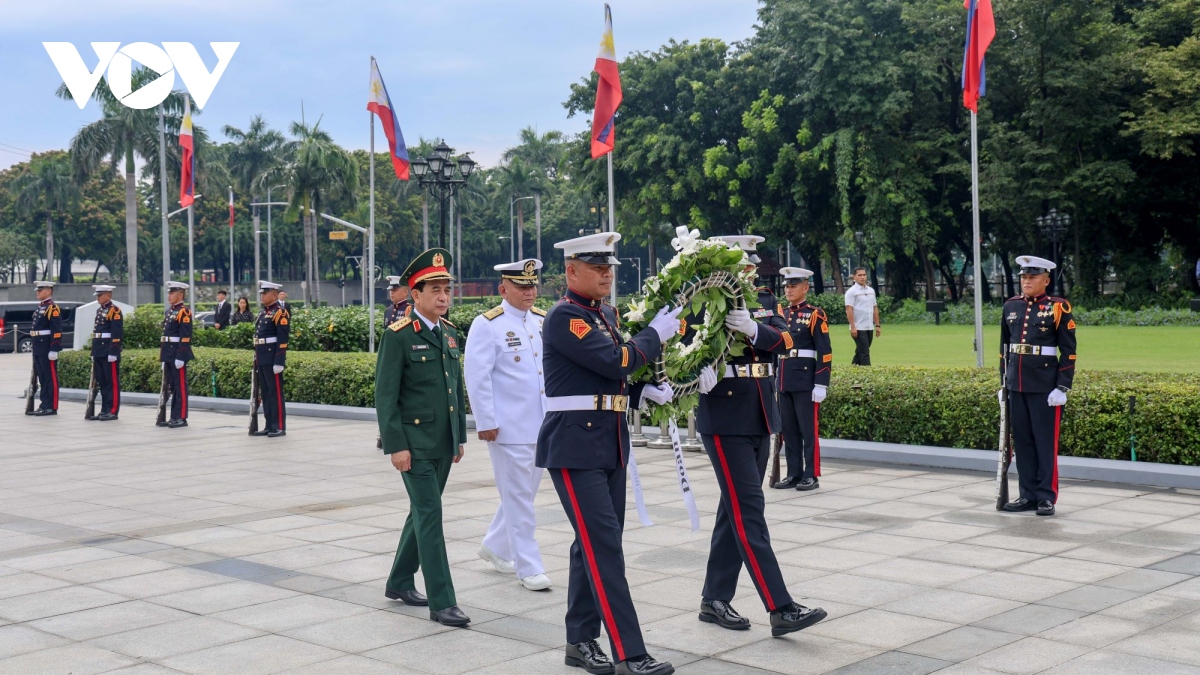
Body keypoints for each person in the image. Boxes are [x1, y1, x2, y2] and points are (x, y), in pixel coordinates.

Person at [538, 232, 681, 675]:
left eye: (609, 268)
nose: (606, 274)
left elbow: (608, 380)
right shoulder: (566, 317)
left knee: (594, 545)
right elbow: (616, 361)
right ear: (571, 270)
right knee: (604, 550)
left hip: (607, 442)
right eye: (596, 267)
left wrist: (642, 392)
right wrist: (654, 335)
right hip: (575, 447)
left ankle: (580, 642)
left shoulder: (604, 315)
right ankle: (630, 653)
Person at [691, 241, 828, 638]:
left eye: (751, 266)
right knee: (749, 511)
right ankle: (780, 606)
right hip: (724, 415)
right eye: (743, 265)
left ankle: (713, 599)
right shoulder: (702, 299)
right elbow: (679, 347)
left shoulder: (764, 300)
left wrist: (754, 328)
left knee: (732, 511)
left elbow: (785, 341)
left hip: (760, 413)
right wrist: (693, 372)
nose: (751, 272)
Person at [376, 248, 471, 628]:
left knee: (422, 512)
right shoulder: (398, 336)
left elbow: (454, 390)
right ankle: (442, 601)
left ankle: (399, 580)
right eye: (435, 290)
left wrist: (459, 436)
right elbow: (386, 397)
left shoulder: (449, 334)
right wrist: (396, 445)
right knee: (431, 515)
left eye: (446, 289)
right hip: (413, 446)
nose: (443, 296)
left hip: (442, 443)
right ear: (415, 295)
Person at [465, 259, 552, 592]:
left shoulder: (544, 321)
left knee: (522, 495)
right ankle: (529, 567)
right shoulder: (487, 325)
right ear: (503, 289)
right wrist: (486, 421)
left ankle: (495, 546)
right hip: (508, 428)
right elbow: (477, 376)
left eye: (532, 285)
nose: (529, 291)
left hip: (542, 423)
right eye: (521, 286)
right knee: (518, 498)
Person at [1000, 256, 1076, 517]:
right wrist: (1004, 382)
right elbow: (1005, 349)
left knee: (1045, 443)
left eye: (1032, 277)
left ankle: (1045, 496)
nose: (1027, 281)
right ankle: (1028, 495)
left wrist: (1062, 387)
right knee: (1022, 442)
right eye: (1023, 277)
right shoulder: (1011, 306)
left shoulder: (1058, 307)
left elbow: (1069, 351)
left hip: (1045, 387)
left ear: (1046, 280)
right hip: (1017, 385)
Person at [776, 268, 833, 491]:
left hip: (805, 379)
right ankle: (793, 473)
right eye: (787, 286)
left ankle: (811, 474)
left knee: (808, 430)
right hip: (784, 377)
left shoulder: (814, 314)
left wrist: (821, 382)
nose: (788, 289)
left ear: (805, 288)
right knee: (788, 430)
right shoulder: (779, 313)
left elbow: (825, 351)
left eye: (793, 285)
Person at [252, 281, 290, 438]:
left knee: (275, 393)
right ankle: (269, 425)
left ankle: (279, 426)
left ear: (274, 295)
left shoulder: (280, 313)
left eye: (265, 293)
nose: (261, 295)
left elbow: (282, 339)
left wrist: (279, 361)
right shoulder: (263, 313)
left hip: (272, 357)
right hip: (262, 357)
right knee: (266, 393)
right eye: (261, 293)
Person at [158, 282, 193, 428]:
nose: (169, 295)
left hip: (178, 353)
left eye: (172, 293)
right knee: (172, 386)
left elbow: (185, 336)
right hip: (168, 352)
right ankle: (174, 416)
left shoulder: (184, 312)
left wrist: (181, 355)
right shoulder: (169, 311)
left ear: (180, 294)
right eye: (168, 292)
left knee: (180, 386)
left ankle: (181, 417)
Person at [26, 281, 61, 416]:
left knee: (50, 377)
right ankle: (44, 404)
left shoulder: (52, 308)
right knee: (42, 377)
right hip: (38, 345)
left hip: (47, 346)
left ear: (49, 291)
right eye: (37, 290)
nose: (38, 292)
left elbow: (56, 330)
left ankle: (51, 406)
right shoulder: (40, 307)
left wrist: (54, 349)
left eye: (41, 290)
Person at [89, 285, 123, 421]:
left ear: (108, 295)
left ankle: (113, 410)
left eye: (100, 295)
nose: (97, 297)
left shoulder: (114, 310)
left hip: (109, 351)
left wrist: (113, 351)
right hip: (99, 350)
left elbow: (117, 333)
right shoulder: (100, 310)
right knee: (102, 382)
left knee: (112, 382)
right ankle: (104, 409)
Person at [844, 267, 880, 365]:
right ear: (854, 277)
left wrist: (877, 325)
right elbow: (849, 309)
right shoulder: (851, 292)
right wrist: (853, 327)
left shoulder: (871, 291)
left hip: (869, 326)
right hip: (858, 327)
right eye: (859, 275)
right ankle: (867, 375)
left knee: (861, 351)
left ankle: (852, 371)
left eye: (864, 275)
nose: (862, 277)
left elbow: (874, 308)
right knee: (865, 353)